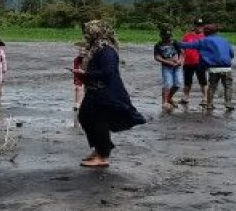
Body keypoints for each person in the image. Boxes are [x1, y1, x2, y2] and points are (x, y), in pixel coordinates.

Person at [74, 20, 146, 167]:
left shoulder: (106, 50)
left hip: (104, 93)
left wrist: (87, 73)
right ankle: (101, 147)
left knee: (100, 122)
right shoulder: (96, 48)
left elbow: (108, 72)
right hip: (94, 90)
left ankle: (103, 156)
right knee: (84, 117)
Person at [178, 24, 236, 110]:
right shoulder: (224, 40)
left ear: (206, 32)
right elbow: (231, 53)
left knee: (212, 86)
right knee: (228, 86)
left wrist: (176, 43)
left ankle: (210, 104)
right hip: (227, 67)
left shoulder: (204, 41)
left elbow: (190, 45)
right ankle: (228, 103)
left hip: (214, 68)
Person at [154, 27, 183, 111]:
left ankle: (169, 98)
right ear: (161, 36)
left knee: (178, 83)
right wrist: (167, 62)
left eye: (169, 36)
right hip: (166, 67)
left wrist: (180, 60)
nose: (168, 38)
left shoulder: (175, 42)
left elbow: (181, 53)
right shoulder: (158, 45)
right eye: (166, 36)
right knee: (168, 84)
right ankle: (164, 102)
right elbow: (157, 57)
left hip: (177, 66)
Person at [179, 19, 206, 106]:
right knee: (187, 81)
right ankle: (186, 96)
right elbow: (182, 47)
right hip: (188, 62)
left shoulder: (205, 36)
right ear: (194, 26)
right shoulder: (187, 36)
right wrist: (182, 54)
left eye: (201, 25)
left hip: (200, 62)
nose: (199, 27)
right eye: (198, 25)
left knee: (203, 81)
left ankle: (205, 98)